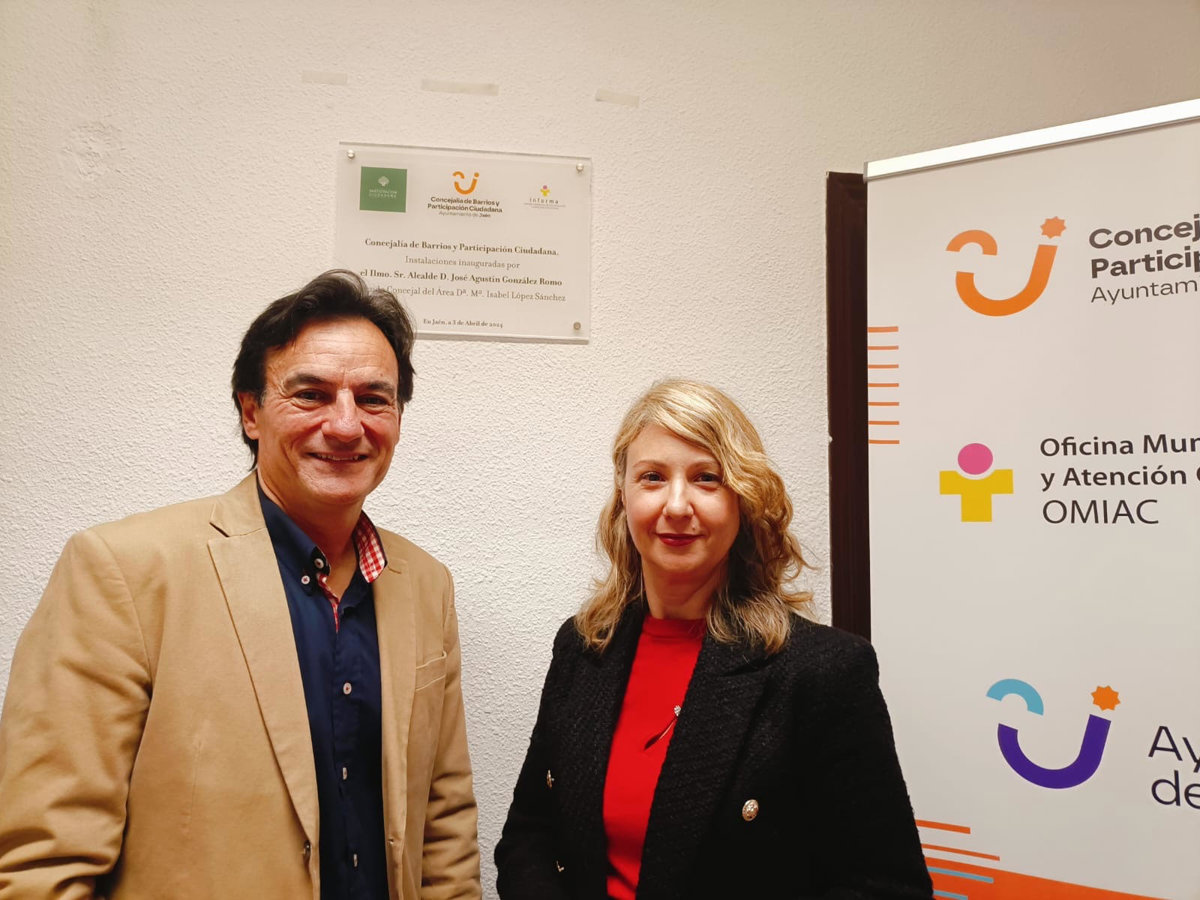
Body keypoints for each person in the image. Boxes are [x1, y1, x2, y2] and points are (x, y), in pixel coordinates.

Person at [0, 271, 480, 900]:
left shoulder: (425, 585)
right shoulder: (124, 569)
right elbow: (44, 862)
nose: (345, 425)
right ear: (251, 412)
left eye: (372, 398)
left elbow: (443, 829)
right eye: (310, 394)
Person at [494, 379, 932, 899]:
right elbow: (529, 836)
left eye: (707, 478)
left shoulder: (823, 671)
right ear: (623, 496)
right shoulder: (582, 646)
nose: (677, 505)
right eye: (653, 477)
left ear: (744, 499)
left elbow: (886, 887)